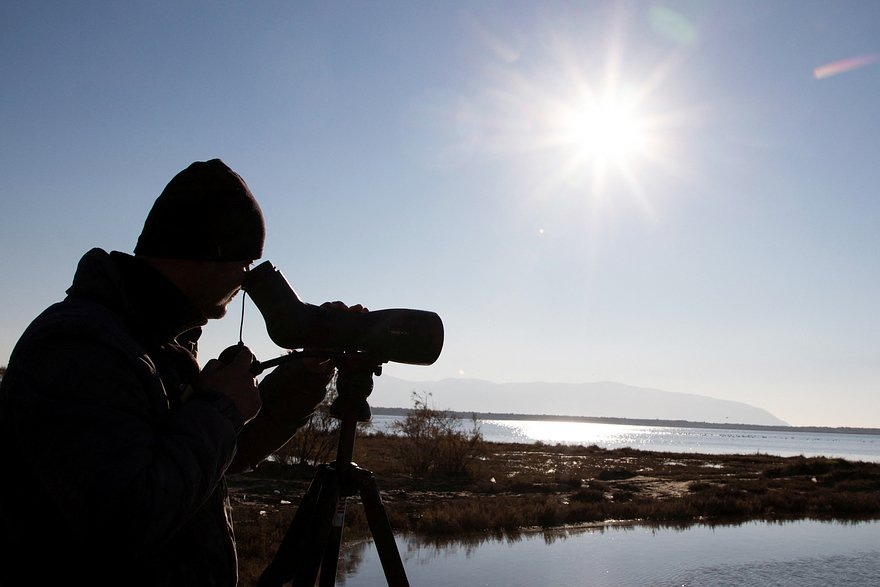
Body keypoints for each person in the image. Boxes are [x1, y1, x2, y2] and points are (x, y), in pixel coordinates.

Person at [0, 159, 358, 585]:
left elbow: (222, 456)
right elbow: (124, 521)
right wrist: (219, 407)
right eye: (245, 261)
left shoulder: (156, 341)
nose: (245, 279)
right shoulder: (79, 347)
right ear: (207, 253)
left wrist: (304, 375)